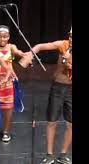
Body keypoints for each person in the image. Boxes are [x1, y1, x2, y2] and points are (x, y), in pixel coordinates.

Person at [22, 27, 72, 164]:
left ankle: (63, 154)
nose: (71, 39)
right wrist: (31, 53)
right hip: (58, 87)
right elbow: (41, 46)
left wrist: (68, 62)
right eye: (71, 36)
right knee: (51, 121)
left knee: (71, 124)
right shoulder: (63, 44)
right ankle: (49, 154)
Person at [0, 25, 27, 142]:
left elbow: (18, 52)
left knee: (7, 107)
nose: (2, 39)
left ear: (9, 37)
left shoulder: (11, 47)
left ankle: (6, 131)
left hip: (8, 81)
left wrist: (26, 55)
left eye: (5, 37)